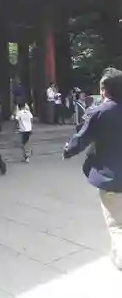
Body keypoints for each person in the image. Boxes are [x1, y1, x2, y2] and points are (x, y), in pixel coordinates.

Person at [63, 68, 122, 270]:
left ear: (104, 90)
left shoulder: (100, 113)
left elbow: (81, 138)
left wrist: (68, 151)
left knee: (116, 225)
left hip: (111, 177)